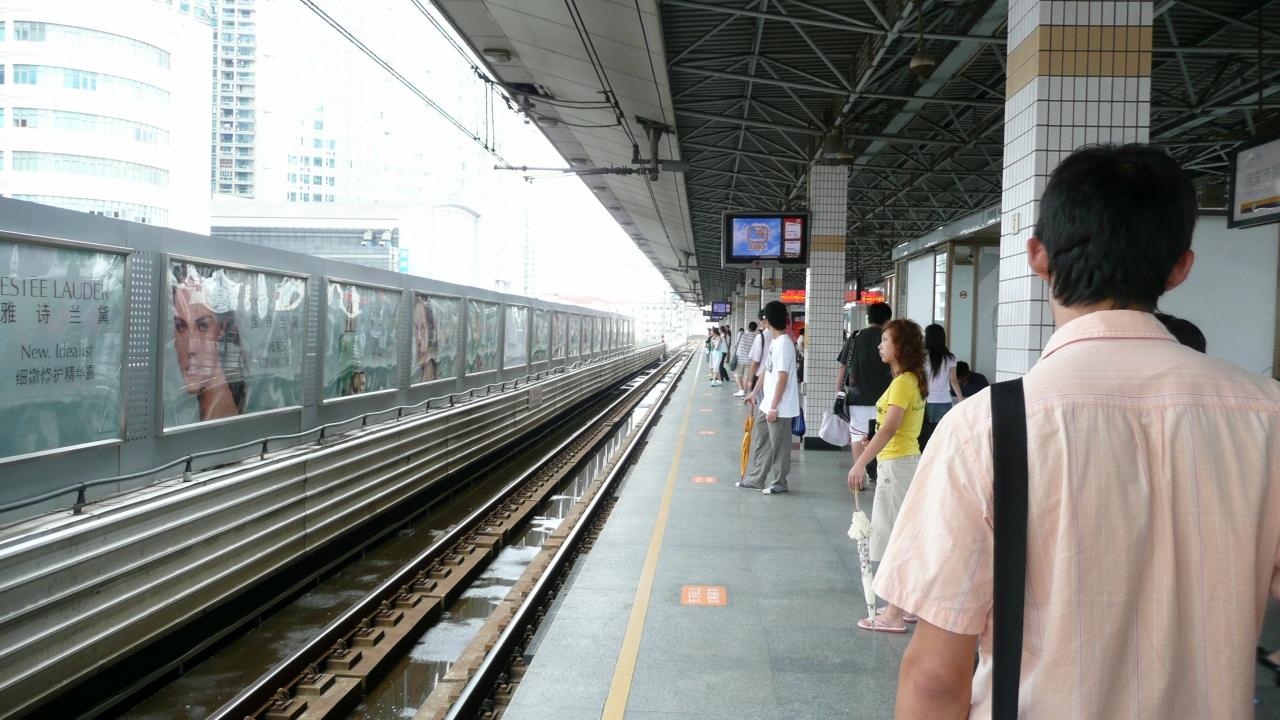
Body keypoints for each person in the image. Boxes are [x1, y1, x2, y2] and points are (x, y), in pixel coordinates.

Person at [874, 145, 1280, 718]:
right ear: (1180, 267)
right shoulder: (1267, 416)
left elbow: (936, 677)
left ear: (1038, 256)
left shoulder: (983, 430)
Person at [846, 318, 926, 632]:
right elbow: (892, 427)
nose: (879, 346)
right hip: (901, 462)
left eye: (885, 341)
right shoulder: (909, 380)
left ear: (900, 347)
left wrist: (860, 463)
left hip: (896, 467)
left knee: (894, 538)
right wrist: (874, 441)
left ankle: (893, 613)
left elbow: (891, 427)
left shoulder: (903, 382)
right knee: (900, 534)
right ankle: (904, 605)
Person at [741, 300, 799, 494]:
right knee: (763, 443)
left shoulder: (784, 344)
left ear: (768, 321)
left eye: (764, 319)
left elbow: (782, 378)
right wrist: (754, 392)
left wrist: (774, 406)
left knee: (779, 447)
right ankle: (757, 479)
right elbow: (767, 371)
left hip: (779, 408)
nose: (762, 323)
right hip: (767, 404)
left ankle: (779, 483)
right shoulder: (775, 342)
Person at [173, 271, 246, 420]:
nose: (191, 349)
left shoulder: (222, 415)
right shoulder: (188, 412)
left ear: (221, 328)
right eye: (180, 327)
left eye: (203, 326)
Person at [837, 303, 894, 482]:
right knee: (884, 435)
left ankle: (859, 477)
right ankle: (880, 476)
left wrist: (838, 392)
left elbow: (843, 368)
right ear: (888, 319)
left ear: (868, 317)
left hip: (857, 397)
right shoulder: (888, 338)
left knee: (857, 435)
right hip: (885, 398)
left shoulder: (855, 337)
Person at [920, 323, 965, 447]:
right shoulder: (950, 358)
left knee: (927, 433)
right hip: (944, 401)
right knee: (943, 433)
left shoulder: (922, 357)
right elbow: (953, 381)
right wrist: (960, 398)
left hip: (926, 400)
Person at [413, 296, 438, 382]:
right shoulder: (415, 366)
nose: (419, 337)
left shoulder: (429, 370)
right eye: (416, 328)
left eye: (423, 328)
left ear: (430, 331)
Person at [733, 322, 757, 397]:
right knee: (746, 377)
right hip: (749, 360)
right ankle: (744, 393)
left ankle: (741, 390)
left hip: (740, 359)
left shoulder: (741, 334)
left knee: (737, 375)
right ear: (755, 329)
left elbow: (736, 344)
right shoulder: (755, 337)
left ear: (748, 326)